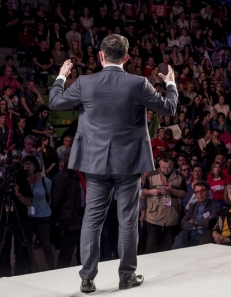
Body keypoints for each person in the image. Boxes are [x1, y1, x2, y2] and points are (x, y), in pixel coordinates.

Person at [49, 34, 178, 292]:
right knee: (127, 220)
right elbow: (169, 109)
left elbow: (54, 102)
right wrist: (172, 84)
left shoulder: (85, 82)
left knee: (92, 220)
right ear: (127, 58)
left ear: (100, 56)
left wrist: (61, 76)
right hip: (128, 165)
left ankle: (87, 278)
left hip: (95, 164)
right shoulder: (139, 83)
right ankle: (126, 276)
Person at [171, 181, 221, 249]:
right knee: (180, 236)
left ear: (208, 191)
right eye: (197, 192)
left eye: (202, 191)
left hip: (202, 234)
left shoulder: (215, 206)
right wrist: (197, 226)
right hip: (189, 232)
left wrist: (194, 221)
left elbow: (209, 222)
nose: (200, 194)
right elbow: (183, 223)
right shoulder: (192, 206)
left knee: (191, 243)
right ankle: (173, 256)